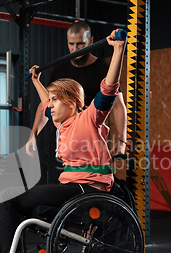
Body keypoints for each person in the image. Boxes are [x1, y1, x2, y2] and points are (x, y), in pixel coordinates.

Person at [0, 29, 127, 253]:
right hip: (72, 187)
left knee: (8, 198)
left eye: (56, 100)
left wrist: (118, 50)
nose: (50, 105)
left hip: (87, 189)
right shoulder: (63, 124)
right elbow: (45, 102)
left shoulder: (89, 117)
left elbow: (109, 89)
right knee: (10, 200)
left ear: (71, 101)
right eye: (51, 100)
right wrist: (36, 80)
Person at [25, 21, 127, 184]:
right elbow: (46, 103)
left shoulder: (90, 112)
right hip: (62, 143)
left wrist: (122, 140)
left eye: (80, 44)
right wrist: (33, 135)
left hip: (87, 142)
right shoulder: (59, 71)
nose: (75, 48)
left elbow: (113, 98)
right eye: (71, 44)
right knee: (53, 193)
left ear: (90, 41)